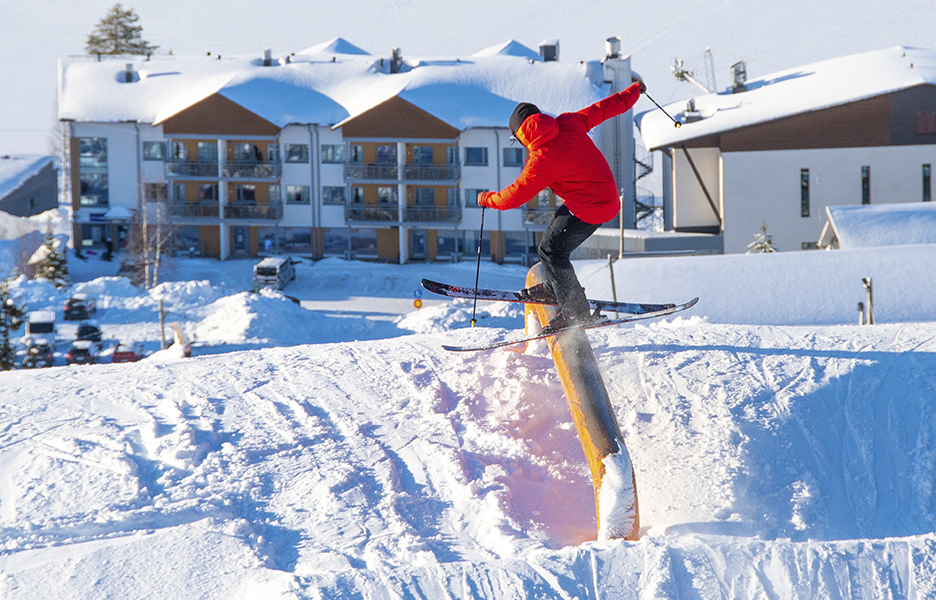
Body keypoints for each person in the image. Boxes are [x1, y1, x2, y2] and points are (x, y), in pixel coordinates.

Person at [478, 79, 646, 333]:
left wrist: (486, 199)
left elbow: (513, 197)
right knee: (550, 240)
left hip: (592, 207)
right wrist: (634, 92)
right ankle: (553, 288)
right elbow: (604, 108)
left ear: (520, 135)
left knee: (552, 251)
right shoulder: (568, 122)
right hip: (597, 198)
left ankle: (576, 313)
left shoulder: (541, 160)